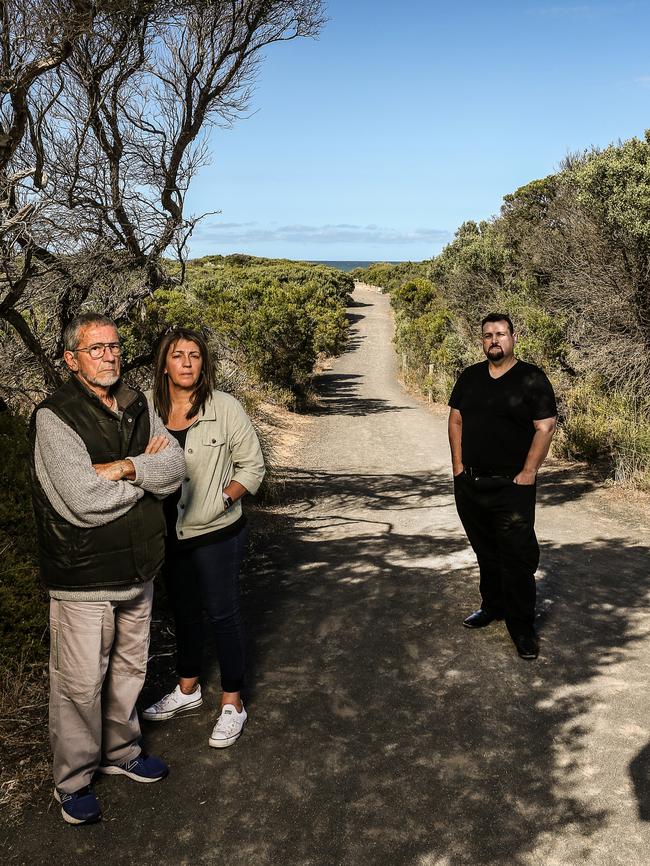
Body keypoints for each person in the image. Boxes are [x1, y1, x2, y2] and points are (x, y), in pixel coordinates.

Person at [29, 312, 185, 825]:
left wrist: (123, 467)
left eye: (114, 346)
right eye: (95, 349)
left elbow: (175, 466)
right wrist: (146, 471)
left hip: (140, 568)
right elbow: (81, 500)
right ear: (72, 359)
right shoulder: (56, 416)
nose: (109, 356)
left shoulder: (137, 402)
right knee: (78, 684)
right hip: (84, 575)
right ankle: (72, 780)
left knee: (129, 671)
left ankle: (122, 753)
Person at [142, 328, 265, 750]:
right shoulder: (150, 412)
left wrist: (223, 501)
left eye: (195, 355)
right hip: (169, 532)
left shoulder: (224, 407)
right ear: (164, 364)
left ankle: (233, 702)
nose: (188, 363)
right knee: (184, 613)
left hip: (216, 532)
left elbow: (253, 467)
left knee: (222, 614)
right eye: (178, 355)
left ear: (203, 363)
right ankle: (188, 688)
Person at [448, 313, 557, 660]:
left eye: (500, 334)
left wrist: (528, 472)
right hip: (471, 483)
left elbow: (546, 426)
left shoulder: (531, 378)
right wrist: (457, 467)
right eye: (487, 335)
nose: (494, 340)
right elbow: (456, 418)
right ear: (482, 341)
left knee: (517, 557)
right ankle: (492, 606)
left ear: (513, 337)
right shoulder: (470, 377)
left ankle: (522, 628)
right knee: (485, 550)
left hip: (512, 486)